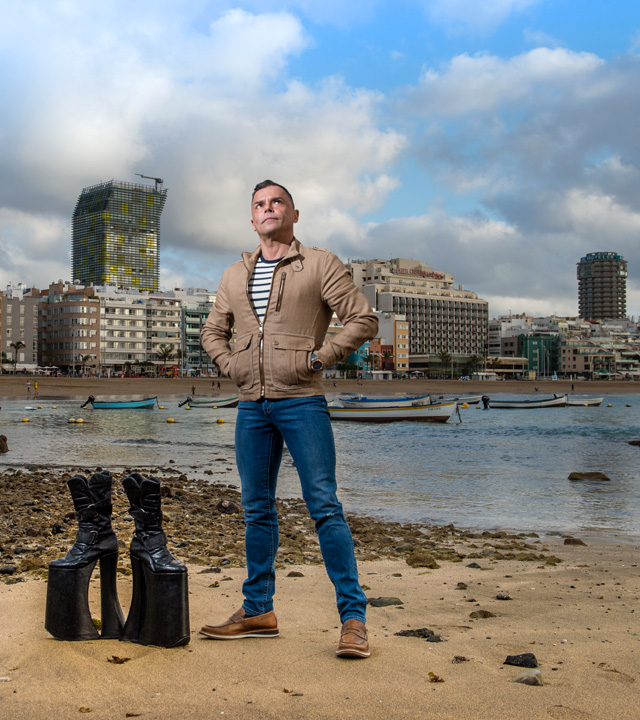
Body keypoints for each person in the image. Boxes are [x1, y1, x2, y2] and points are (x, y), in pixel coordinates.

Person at [199, 180, 378, 658]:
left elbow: (362, 319)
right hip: (251, 406)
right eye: (259, 204)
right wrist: (230, 365)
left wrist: (317, 360)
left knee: (324, 506)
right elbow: (212, 330)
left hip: (301, 399)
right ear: (251, 218)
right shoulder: (235, 273)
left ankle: (354, 621)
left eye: (277, 202)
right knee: (257, 508)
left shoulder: (319, 263)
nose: (268, 209)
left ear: (294, 214)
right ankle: (258, 610)